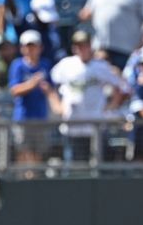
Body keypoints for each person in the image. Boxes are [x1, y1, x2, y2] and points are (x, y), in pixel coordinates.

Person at [51, 30, 129, 160]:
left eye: (84, 45)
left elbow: (122, 87)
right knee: (74, 166)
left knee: (96, 165)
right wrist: (57, 105)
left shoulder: (101, 66)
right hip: (72, 124)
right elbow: (50, 84)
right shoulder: (65, 65)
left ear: (90, 46)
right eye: (78, 45)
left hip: (95, 125)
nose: (81, 48)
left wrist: (112, 105)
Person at [9, 29, 60, 164]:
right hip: (23, 117)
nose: (30, 49)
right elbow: (15, 90)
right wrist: (32, 84)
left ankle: (33, 178)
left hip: (41, 116)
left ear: (40, 47)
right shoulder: (17, 65)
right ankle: (24, 179)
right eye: (27, 46)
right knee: (23, 150)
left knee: (38, 152)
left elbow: (51, 88)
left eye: (33, 46)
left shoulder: (45, 64)